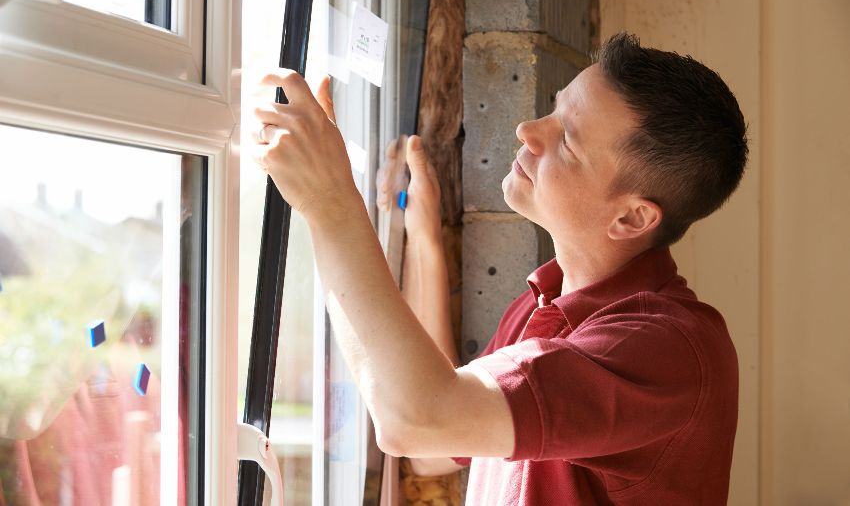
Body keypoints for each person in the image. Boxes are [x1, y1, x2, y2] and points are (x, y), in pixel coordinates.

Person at [252, 32, 747, 505]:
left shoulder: (668, 350)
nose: (528, 131)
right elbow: (439, 446)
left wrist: (329, 200)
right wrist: (424, 242)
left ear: (632, 217)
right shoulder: (542, 305)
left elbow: (416, 421)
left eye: (568, 141)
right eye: (554, 109)